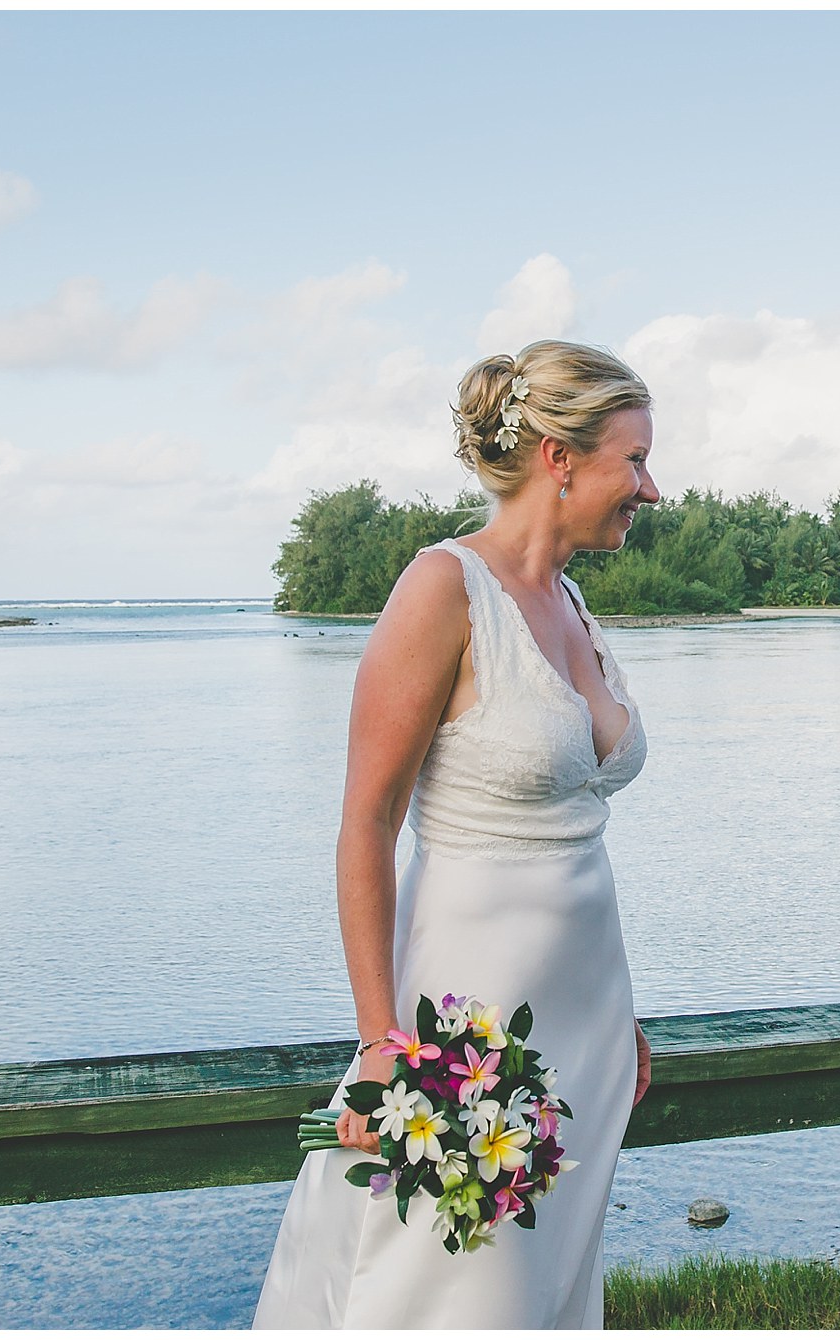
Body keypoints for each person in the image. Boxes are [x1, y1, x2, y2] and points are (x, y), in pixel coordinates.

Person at [254, 340, 661, 1328]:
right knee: (442, 1288)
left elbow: (571, 842)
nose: (649, 486)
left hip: (585, 1025)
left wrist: (621, 1016)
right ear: (559, 458)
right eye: (633, 459)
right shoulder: (442, 588)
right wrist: (382, 1045)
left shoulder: (568, 600)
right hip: (464, 1034)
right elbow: (366, 822)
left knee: (548, 1292)